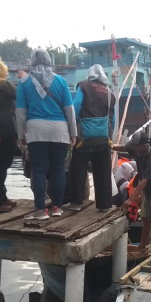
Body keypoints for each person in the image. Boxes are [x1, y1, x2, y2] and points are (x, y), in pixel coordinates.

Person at [16, 50, 76, 220]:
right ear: (50, 61)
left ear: (32, 62)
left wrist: (21, 134)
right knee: (58, 169)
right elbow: (69, 110)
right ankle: (57, 208)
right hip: (60, 130)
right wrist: (73, 133)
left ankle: (41, 210)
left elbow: (20, 111)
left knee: (39, 170)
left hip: (36, 130)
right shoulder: (61, 81)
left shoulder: (24, 82)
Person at [62, 64, 113, 212]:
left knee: (78, 168)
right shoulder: (109, 92)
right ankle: (104, 204)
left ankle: (76, 202)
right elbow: (112, 118)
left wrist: (72, 128)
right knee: (103, 170)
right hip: (104, 138)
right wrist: (108, 135)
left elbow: (75, 107)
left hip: (84, 137)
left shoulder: (83, 86)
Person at [113, 131, 151, 252]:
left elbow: (144, 181)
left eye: (136, 146)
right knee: (146, 219)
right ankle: (142, 245)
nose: (134, 148)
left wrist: (131, 199)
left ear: (144, 145)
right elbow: (124, 147)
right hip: (146, 192)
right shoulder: (137, 149)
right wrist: (109, 145)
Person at [0, 58, 18, 212]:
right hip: (6, 130)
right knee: (2, 167)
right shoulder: (4, 85)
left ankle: (1, 196)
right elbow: (20, 96)